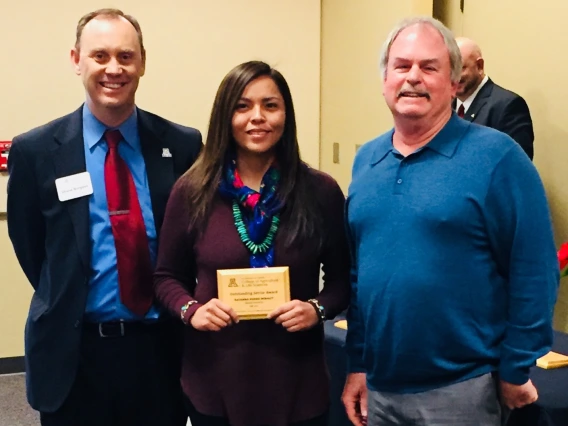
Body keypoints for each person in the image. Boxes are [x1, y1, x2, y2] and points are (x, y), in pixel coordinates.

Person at [342, 16, 558, 426]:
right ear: (384, 77)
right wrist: (357, 362)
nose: (413, 78)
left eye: (429, 67)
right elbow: (360, 275)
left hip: (464, 390)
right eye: (402, 66)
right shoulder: (366, 161)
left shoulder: (498, 158)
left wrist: (516, 366)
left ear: (455, 83)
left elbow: (534, 269)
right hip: (382, 388)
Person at [7, 8, 202, 426]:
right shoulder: (36, 152)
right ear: (77, 60)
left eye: (125, 56)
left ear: (143, 62)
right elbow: (32, 248)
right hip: (74, 354)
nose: (113, 69)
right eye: (100, 56)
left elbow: (191, 243)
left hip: (158, 350)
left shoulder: (182, 145)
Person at [154, 60, 350, 426]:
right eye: (242, 106)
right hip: (215, 378)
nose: (257, 117)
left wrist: (317, 309)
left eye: (270, 105)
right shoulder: (193, 190)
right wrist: (191, 310)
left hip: (297, 379)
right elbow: (165, 277)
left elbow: (343, 279)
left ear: (286, 115)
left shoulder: (320, 191)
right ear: (225, 116)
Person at [454, 36, 535, 159]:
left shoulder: (508, 106)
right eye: (449, 70)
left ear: (479, 66)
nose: (454, 77)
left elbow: (517, 166)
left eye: (461, 68)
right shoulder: (444, 104)